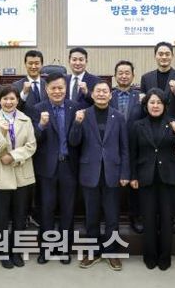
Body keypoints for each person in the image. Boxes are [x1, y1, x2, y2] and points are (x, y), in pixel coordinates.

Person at [69, 81, 130, 271]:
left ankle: (112, 253)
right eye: (98, 91)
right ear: (92, 94)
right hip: (90, 173)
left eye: (105, 91)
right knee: (91, 217)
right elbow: (73, 142)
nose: (102, 94)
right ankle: (93, 253)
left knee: (112, 217)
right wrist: (77, 123)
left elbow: (124, 147)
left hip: (112, 173)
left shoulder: (118, 116)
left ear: (110, 95)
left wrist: (125, 172)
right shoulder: (83, 114)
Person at [129, 88, 175, 271]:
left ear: (165, 105)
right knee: (148, 219)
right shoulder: (137, 125)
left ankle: (165, 256)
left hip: (169, 178)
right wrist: (133, 176)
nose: (155, 106)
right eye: (152, 102)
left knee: (167, 219)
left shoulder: (173, 123)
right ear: (146, 105)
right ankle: (150, 255)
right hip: (145, 178)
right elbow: (133, 153)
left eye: (159, 102)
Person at [0, 86, 37, 269]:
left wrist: (13, 156)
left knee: (20, 217)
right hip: (1, 176)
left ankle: (16, 252)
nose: (8, 102)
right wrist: (2, 134)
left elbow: (31, 146)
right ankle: (4, 252)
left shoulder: (26, 119)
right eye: (5, 99)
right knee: (1, 217)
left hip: (22, 174)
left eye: (12, 99)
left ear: (17, 100)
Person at [30, 72, 79, 264]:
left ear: (66, 89)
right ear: (46, 89)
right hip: (46, 168)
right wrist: (41, 126)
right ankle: (46, 249)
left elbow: (78, 139)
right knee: (46, 210)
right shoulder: (37, 109)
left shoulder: (75, 107)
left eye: (61, 88)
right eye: (53, 88)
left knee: (68, 210)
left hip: (69, 167)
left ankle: (65, 250)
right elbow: (32, 140)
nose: (57, 91)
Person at [110, 60, 144, 234]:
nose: (124, 76)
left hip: (135, 146)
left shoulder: (141, 96)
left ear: (133, 75)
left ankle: (135, 217)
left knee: (134, 183)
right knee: (112, 185)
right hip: (112, 146)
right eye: (120, 73)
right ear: (115, 76)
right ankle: (112, 219)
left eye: (127, 73)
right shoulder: (108, 95)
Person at [139, 41, 175, 121]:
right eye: (160, 54)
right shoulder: (146, 78)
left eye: (167, 54)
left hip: (174, 125)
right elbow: (143, 108)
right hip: (152, 124)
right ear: (155, 56)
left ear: (172, 56)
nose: (164, 57)